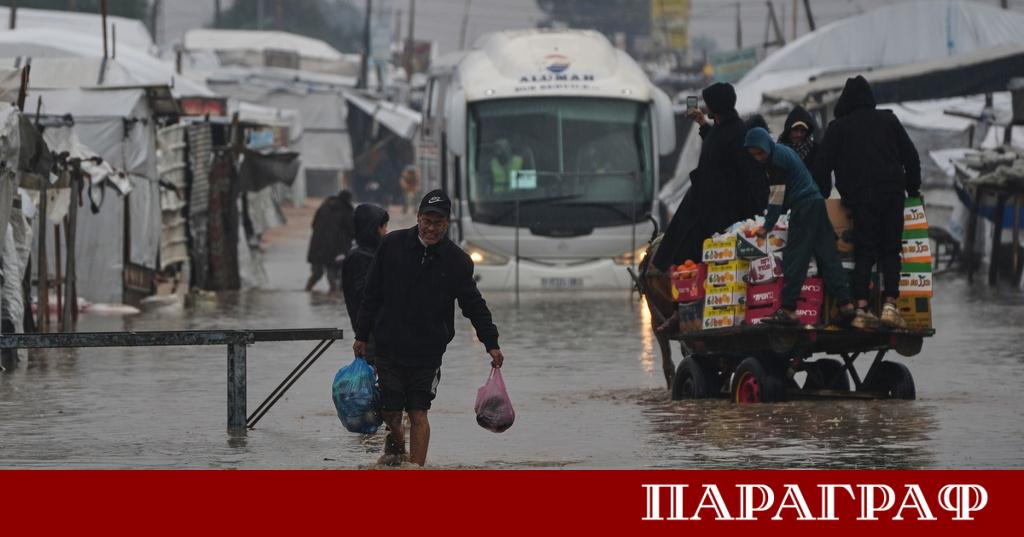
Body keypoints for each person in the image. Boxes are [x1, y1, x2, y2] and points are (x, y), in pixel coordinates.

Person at [352, 189, 503, 466]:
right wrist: (361, 336)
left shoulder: (457, 261)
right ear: (418, 218)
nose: (432, 228)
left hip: (428, 353)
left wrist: (490, 342)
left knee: (418, 412)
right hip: (389, 347)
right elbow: (371, 294)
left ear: (447, 224)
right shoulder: (392, 245)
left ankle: (415, 468)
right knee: (392, 412)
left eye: (439, 223)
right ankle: (396, 449)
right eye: (427, 221)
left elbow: (473, 304)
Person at [822, 75, 921, 329]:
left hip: (860, 197)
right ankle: (889, 306)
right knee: (890, 249)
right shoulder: (888, 120)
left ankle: (862, 308)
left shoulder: (838, 128)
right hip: (892, 193)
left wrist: (823, 195)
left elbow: (821, 168)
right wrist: (913, 188)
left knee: (865, 250)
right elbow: (911, 157)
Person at [744, 127, 857, 326]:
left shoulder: (776, 160)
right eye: (754, 155)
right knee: (827, 254)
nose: (759, 158)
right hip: (816, 203)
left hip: (804, 207)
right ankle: (845, 304)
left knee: (795, 256)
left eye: (760, 153)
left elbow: (776, 197)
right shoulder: (780, 152)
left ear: (766, 147)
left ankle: (788, 309)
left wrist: (767, 226)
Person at [652, 82, 766, 271]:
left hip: (721, 212)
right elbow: (718, 145)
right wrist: (702, 123)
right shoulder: (724, 128)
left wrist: (762, 212)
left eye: (709, 103)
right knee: (679, 247)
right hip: (705, 204)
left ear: (717, 105)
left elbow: (750, 174)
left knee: (691, 251)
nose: (706, 107)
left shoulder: (737, 133)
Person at [341, 203, 390, 362]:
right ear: (373, 228)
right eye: (383, 227)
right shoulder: (360, 258)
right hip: (372, 335)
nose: (386, 231)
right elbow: (362, 297)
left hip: (381, 333)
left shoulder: (375, 254)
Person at [306, 190, 355, 292]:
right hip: (335, 249)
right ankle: (334, 299)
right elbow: (352, 231)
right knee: (332, 275)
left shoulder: (324, 207)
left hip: (317, 246)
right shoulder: (347, 211)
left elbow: (313, 224)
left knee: (317, 274)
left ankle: (307, 290)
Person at [778, 106, 829, 197]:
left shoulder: (815, 150)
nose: (799, 134)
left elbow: (824, 182)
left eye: (803, 131)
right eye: (795, 129)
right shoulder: (779, 151)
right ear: (788, 129)